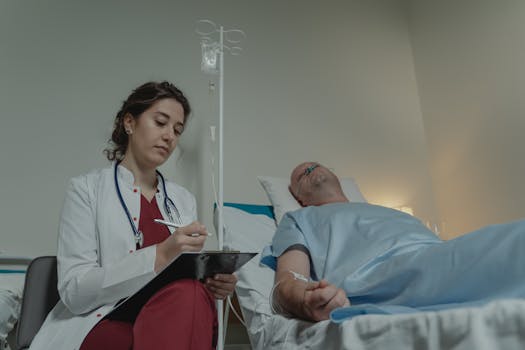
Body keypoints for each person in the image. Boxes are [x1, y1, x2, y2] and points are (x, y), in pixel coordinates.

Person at [29, 81, 237, 350]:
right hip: (104, 319)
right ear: (129, 122)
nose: (169, 136)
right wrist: (160, 255)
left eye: (177, 130)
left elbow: (187, 276)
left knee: (193, 294)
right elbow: (74, 291)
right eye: (160, 122)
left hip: (174, 312)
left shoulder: (183, 200)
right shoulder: (86, 190)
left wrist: (213, 283)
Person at [261, 161, 525, 322]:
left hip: (438, 254)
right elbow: (289, 280)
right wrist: (305, 301)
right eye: (300, 176)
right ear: (299, 198)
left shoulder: (390, 211)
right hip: (380, 275)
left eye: (314, 164)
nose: (309, 169)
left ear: (335, 175)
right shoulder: (299, 218)